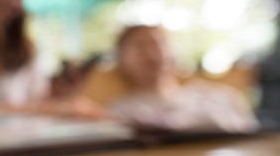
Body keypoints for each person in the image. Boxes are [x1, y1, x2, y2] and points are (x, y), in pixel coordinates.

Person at [108, 24, 259, 133]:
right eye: (139, 46)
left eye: (158, 43)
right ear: (121, 60)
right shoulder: (119, 113)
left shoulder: (220, 96)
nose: (151, 53)